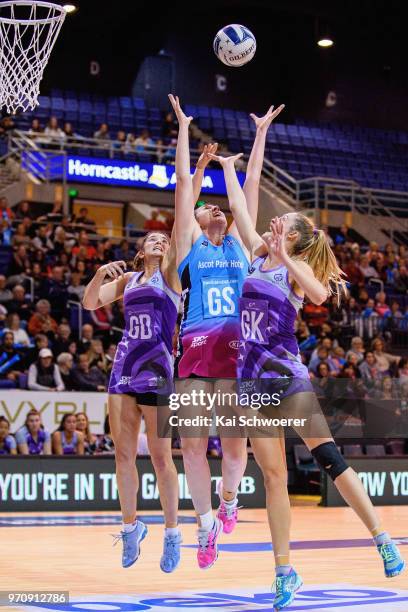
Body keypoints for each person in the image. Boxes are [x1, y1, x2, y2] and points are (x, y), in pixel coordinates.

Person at [211, 151, 405, 609]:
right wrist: (226, 169)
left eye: (282, 222)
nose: (273, 223)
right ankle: (284, 572)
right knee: (273, 479)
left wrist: (283, 256)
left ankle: (383, 538)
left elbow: (319, 295)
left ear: (293, 236)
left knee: (329, 458)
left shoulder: (297, 270)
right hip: (250, 382)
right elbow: (240, 209)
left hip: (285, 375)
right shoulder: (259, 258)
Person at [169, 93, 284, 569]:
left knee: (235, 450)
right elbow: (182, 187)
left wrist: (260, 134)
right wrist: (182, 127)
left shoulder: (240, 243)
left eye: (220, 207)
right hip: (195, 349)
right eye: (206, 208)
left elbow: (251, 183)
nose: (215, 209)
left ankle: (230, 499)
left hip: (237, 353)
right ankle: (204, 527)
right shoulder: (187, 245)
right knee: (191, 447)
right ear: (195, 220)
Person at [82, 229, 182, 574]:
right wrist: (97, 276)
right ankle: (130, 528)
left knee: (160, 457)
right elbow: (90, 303)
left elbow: (179, 231)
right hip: (125, 365)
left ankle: (171, 532)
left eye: (165, 240)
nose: (160, 242)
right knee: (122, 453)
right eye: (153, 239)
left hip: (157, 368)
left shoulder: (172, 276)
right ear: (141, 249)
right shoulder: (129, 279)